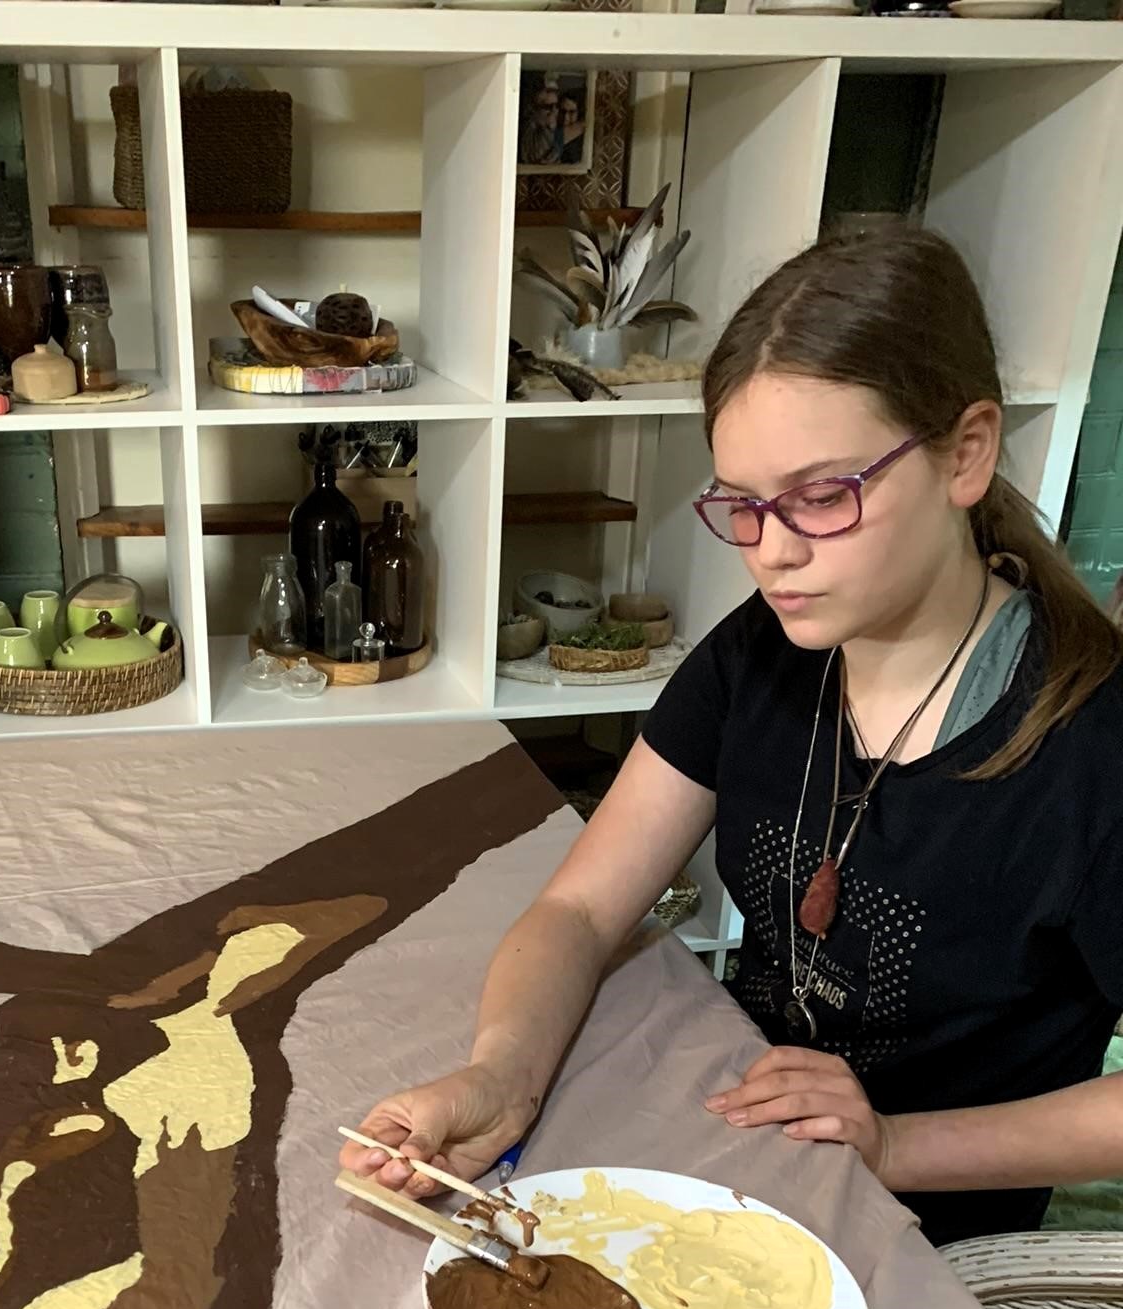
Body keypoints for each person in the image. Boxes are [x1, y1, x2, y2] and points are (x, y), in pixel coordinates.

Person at [341, 226, 1123, 1247]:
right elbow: (581, 908)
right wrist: (502, 1076)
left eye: (822, 495)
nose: (773, 551)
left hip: (930, 1243)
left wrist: (894, 1142)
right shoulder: (767, 650)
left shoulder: (1090, 746)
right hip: (738, 1159)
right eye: (743, 505)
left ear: (965, 453)